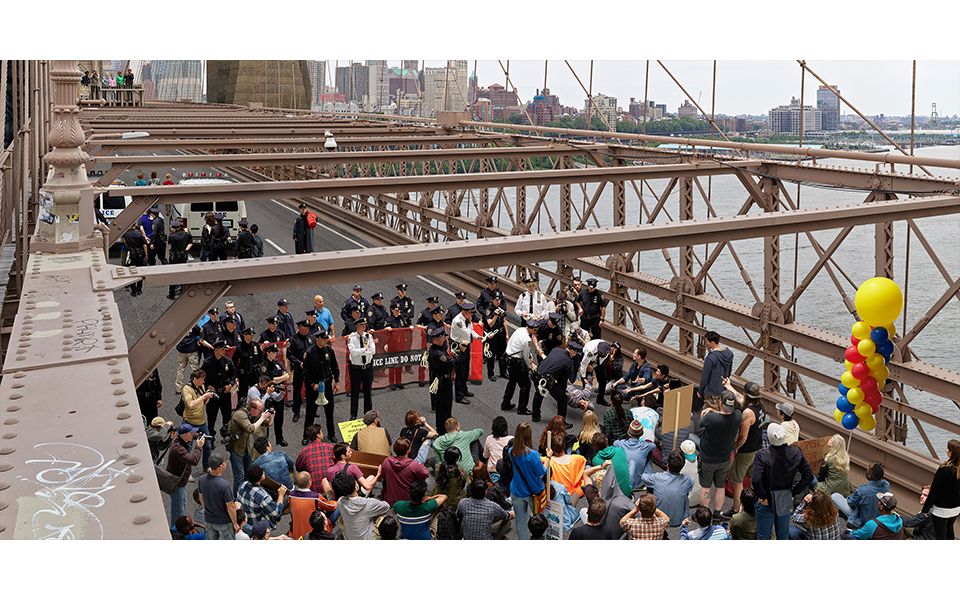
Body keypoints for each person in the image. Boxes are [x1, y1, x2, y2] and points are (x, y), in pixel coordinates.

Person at [752, 422, 814, 540]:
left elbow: (756, 480)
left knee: (764, 536)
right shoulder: (796, 454)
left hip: (767, 501)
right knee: (783, 534)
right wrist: (794, 492)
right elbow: (808, 476)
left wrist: (762, 497)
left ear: (769, 438)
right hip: (785, 498)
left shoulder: (761, 456)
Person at [721, 379, 765, 518]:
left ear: (747, 395)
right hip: (757, 448)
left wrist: (735, 447)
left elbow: (743, 437)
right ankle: (752, 505)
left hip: (745, 452)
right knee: (752, 479)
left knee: (737, 480)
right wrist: (729, 386)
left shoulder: (747, 413)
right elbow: (740, 398)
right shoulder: (761, 406)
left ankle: (735, 509)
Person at [698, 389, 742, 521]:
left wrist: (711, 411)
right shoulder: (738, 416)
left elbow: (701, 422)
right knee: (720, 486)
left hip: (707, 459)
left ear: (720, 403)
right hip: (724, 459)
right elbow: (739, 403)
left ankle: (704, 514)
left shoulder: (710, 418)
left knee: (706, 487)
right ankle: (717, 514)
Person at [226, 397, 272, 495]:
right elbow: (251, 428)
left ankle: (247, 494)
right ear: (252, 409)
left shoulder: (252, 415)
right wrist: (263, 417)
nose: (261, 412)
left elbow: (266, 424)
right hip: (236, 449)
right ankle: (237, 499)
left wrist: (271, 416)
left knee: (249, 473)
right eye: (260, 410)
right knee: (240, 476)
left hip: (245, 447)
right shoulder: (240, 415)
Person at [509, 422, 547, 540]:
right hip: (534, 493)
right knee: (540, 522)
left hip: (517, 490)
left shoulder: (511, 451)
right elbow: (541, 474)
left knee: (520, 522)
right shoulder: (533, 455)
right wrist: (549, 458)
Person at [302, 330, 340, 445]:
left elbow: (335, 367)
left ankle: (331, 434)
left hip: (327, 385)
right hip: (314, 387)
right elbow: (305, 372)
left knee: (329, 412)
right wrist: (313, 384)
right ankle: (306, 436)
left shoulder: (329, 351)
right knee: (310, 413)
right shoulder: (309, 353)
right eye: (324, 339)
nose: (326, 341)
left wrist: (337, 382)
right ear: (317, 339)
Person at [641, 449, 695, 527]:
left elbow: (643, 477)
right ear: (682, 466)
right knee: (684, 491)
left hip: (660, 519)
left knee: (650, 486)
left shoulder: (657, 477)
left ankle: (653, 513)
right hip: (680, 520)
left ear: (667, 465)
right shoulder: (688, 480)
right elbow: (691, 484)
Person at [166, 423, 205, 528]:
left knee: (182, 504)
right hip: (177, 483)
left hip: (180, 481)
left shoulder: (180, 440)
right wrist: (199, 446)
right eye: (191, 433)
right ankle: (176, 533)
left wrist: (200, 435)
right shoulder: (178, 449)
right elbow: (194, 460)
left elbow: (193, 435)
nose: (194, 434)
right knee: (178, 511)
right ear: (184, 435)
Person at [334, 470, 391, 540]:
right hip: (366, 538)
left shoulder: (340, 501)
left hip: (348, 537)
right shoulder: (368, 503)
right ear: (356, 488)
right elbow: (386, 506)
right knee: (382, 516)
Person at [832, 461, 889, 529]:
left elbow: (850, 503)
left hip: (863, 521)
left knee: (835, 496)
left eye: (869, 467)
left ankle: (853, 522)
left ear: (870, 476)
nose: (868, 465)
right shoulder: (886, 485)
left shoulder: (862, 491)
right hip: (878, 519)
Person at [922, 438, 960, 539]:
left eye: (947, 448)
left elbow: (934, 491)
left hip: (941, 509)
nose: (946, 450)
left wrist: (925, 509)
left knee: (940, 535)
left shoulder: (944, 470)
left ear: (951, 453)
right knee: (949, 529)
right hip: (956, 508)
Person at [531, 342, 578, 423]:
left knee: (538, 395)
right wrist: (562, 391)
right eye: (575, 353)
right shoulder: (569, 363)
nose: (574, 355)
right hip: (548, 381)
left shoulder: (555, 350)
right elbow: (563, 381)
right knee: (562, 399)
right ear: (572, 351)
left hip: (536, 375)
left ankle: (535, 416)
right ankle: (561, 423)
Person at [197, 453, 240, 540]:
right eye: (224, 462)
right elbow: (230, 507)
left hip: (209, 520)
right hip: (224, 522)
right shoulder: (224, 485)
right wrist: (235, 524)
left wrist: (208, 510)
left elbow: (201, 498)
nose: (226, 463)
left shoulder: (202, 479)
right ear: (220, 466)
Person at [181, 369, 216, 472]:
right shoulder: (187, 389)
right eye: (201, 380)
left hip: (201, 422)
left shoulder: (201, 387)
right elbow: (190, 405)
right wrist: (204, 396)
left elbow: (203, 403)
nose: (203, 382)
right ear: (195, 379)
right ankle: (186, 471)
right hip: (189, 423)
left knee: (208, 446)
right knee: (187, 448)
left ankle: (206, 467)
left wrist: (207, 397)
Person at [201, 340, 236, 441]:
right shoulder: (207, 363)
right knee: (211, 418)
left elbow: (233, 374)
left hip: (225, 394)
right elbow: (201, 378)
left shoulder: (227, 361)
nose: (224, 351)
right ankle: (211, 438)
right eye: (222, 349)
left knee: (227, 417)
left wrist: (231, 385)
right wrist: (207, 386)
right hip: (213, 395)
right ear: (216, 350)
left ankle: (227, 437)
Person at [450, 302, 484, 405]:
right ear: (464, 312)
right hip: (459, 347)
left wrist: (478, 337)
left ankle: (464, 389)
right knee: (460, 371)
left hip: (466, 345)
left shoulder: (466, 319)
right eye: (470, 313)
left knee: (465, 370)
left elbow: (472, 331)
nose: (472, 315)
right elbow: (467, 332)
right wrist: (469, 322)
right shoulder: (458, 321)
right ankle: (459, 395)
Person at [288, 471, 338, 540]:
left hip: (296, 534)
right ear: (309, 482)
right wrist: (335, 502)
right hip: (314, 532)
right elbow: (331, 507)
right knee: (337, 506)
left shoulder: (291, 495)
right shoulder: (316, 497)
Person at [380, 437, 429, 505]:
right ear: (408, 451)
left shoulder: (386, 461)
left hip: (390, 500)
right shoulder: (414, 465)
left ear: (394, 449)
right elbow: (425, 475)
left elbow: (383, 477)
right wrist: (421, 466)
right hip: (409, 501)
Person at [259, 344, 292, 446]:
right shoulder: (263, 366)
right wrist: (278, 379)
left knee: (279, 417)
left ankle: (279, 438)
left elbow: (287, 375)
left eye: (276, 352)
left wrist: (274, 379)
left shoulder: (278, 363)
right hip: (269, 394)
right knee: (267, 416)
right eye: (273, 352)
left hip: (279, 392)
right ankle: (266, 441)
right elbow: (267, 381)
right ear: (268, 353)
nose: (275, 354)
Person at [237, 465, 287, 529]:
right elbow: (276, 512)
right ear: (260, 477)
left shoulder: (242, 485)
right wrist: (281, 495)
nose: (264, 473)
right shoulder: (263, 495)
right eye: (263, 473)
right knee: (286, 499)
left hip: (245, 520)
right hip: (258, 524)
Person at [503, 319, 537, 414]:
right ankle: (522, 408)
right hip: (517, 363)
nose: (535, 332)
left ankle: (505, 403)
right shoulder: (527, 339)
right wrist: (530, 367)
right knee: (526, 385)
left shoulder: (520, 329)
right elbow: (525, 357)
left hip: (509, 358)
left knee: (512, 382)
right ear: (529, 329)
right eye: (534, 330)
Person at [346, 317, 376, 420]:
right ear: (357, 326)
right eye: (362, 325)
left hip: (367, 368)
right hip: (356, 368)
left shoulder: (369, 336)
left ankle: (368, 414)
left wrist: (360, 351)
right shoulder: (352, 338)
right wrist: (364, 349)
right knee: (355, 392)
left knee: (368, 391)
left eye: (364, 325)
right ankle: (353, 414)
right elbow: (353, 353)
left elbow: (372, 351)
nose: (364, 327)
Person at [614, 418, 656, 489]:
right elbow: (653, 446)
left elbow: (615, 443)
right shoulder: (645, 446)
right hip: (639, 483)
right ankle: (648, 478)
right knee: (648, 453)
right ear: (642, 433)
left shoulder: (621, 444)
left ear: (628, 431)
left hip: (624, 482)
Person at [427, 325, 455, 431]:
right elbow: (452, 363)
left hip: (441, 380)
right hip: (444, 382)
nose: (445, 338)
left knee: (443, 407)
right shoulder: (439, 353)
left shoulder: (435, 348)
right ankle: (443, 431)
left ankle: (443, 428)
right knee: (445, 406)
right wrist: (462, 352)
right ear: (438, 339)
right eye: (443, 337)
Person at [295, 424, 336, 494]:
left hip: (314, 491)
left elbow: (298, 468)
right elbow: (338, 463)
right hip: (331, 489)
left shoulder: (304, 452)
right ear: (318, 435)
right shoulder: (330, 447)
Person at [698, 331, 733, 407]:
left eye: (707, 342)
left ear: (712, 343)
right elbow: (729, 371)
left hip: (712, 392)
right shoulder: (730, 354)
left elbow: (705, 376)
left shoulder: (710, 358)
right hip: (724, 390)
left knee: (710, 413)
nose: (706, 343)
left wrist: (700, 391)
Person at [287, 320, 312, 424]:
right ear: (300, 327)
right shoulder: (293, 340)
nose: (307, 329)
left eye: (308, 328)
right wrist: (299, 362)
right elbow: (289, 355)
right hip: (299, 369)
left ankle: (311, 409)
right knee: (297, 391)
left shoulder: (311, 337)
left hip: (310, 369)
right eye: (305, 328)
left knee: (310, 389)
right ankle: (296, 411)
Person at [591, 432, 632, 497]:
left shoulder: (595, 460)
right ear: (607, 440)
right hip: (627, 492)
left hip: (611, 496)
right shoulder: (620, 450)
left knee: (589, 470)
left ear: (595, 447)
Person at [814, 433, 853, 497]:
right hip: (844, 488)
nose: (828, 440)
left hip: (831, 488)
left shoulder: (827, 458)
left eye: (831, 440)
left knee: (810, 477)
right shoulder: (845, 457)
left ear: (834, 445)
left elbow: (821, 477)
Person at [483, 292, 509, 381]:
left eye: (499, 300)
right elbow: (490, 324)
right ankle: (490, 373)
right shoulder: (488, 310)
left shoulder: (502, 308)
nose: (498, 302)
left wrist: (506, 334)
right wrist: (495, 315)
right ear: (492, 300)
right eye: (496, 300)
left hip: (501, 333)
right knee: (491, 354)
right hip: (493, 333)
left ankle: (503, 372)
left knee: (503, 353)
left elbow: (504, 321)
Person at [166, 219, 192, 299]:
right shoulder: (186, 234)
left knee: (173, 275)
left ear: (173, 228)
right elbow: (190, 243)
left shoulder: (172, 236)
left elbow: (169, 243)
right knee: (183, 274)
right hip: (183, 256)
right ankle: (183, 291)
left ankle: (172, 294)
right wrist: (186, 250)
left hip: (174, 257)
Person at [121, 223, 148, 296]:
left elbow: (124, 241)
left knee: (131, 271)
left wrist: (129, 246)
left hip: (131, 254)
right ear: (135, 226)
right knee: (140, 271)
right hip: (139, 254)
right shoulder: (139, 234)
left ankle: (133, 290)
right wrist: (146, 255)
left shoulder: (126, 234)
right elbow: (144, 245)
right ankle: (139, 289)